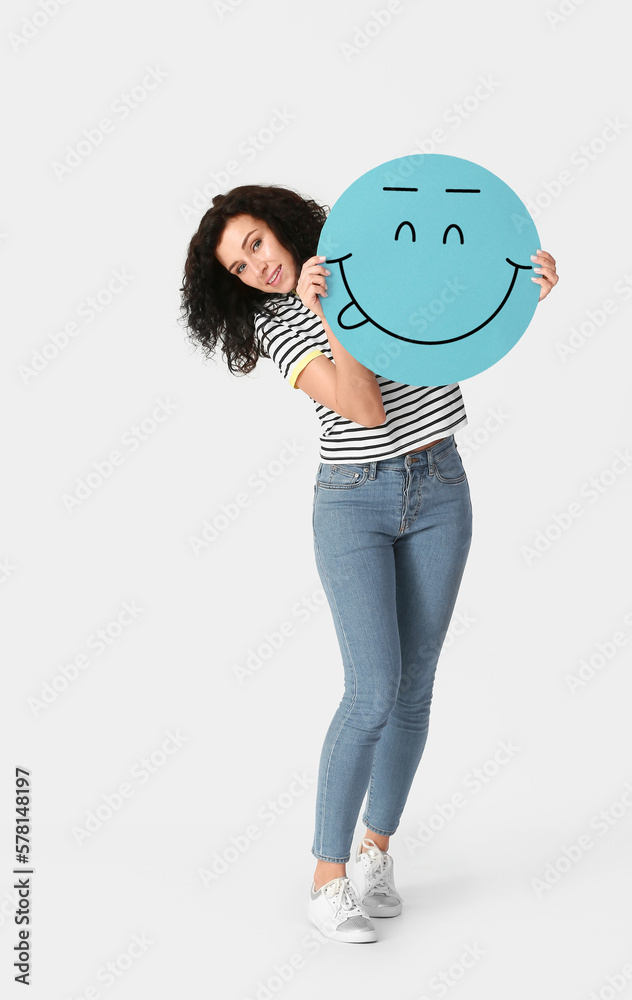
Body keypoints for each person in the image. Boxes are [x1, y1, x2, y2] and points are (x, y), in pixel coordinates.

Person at [180, 183, 559, 944]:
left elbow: (452, 326)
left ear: (283, 231)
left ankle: (374, 857)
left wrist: (521, 288)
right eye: (237, 265)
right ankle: (326, 881)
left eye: (255, 243)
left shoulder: (379, 267)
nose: (254, 267)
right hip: (354, 502)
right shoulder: (281, 323)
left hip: (441, 486)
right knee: (372, 691)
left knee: (414, 688)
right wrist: (329, 314)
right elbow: (365, 406)